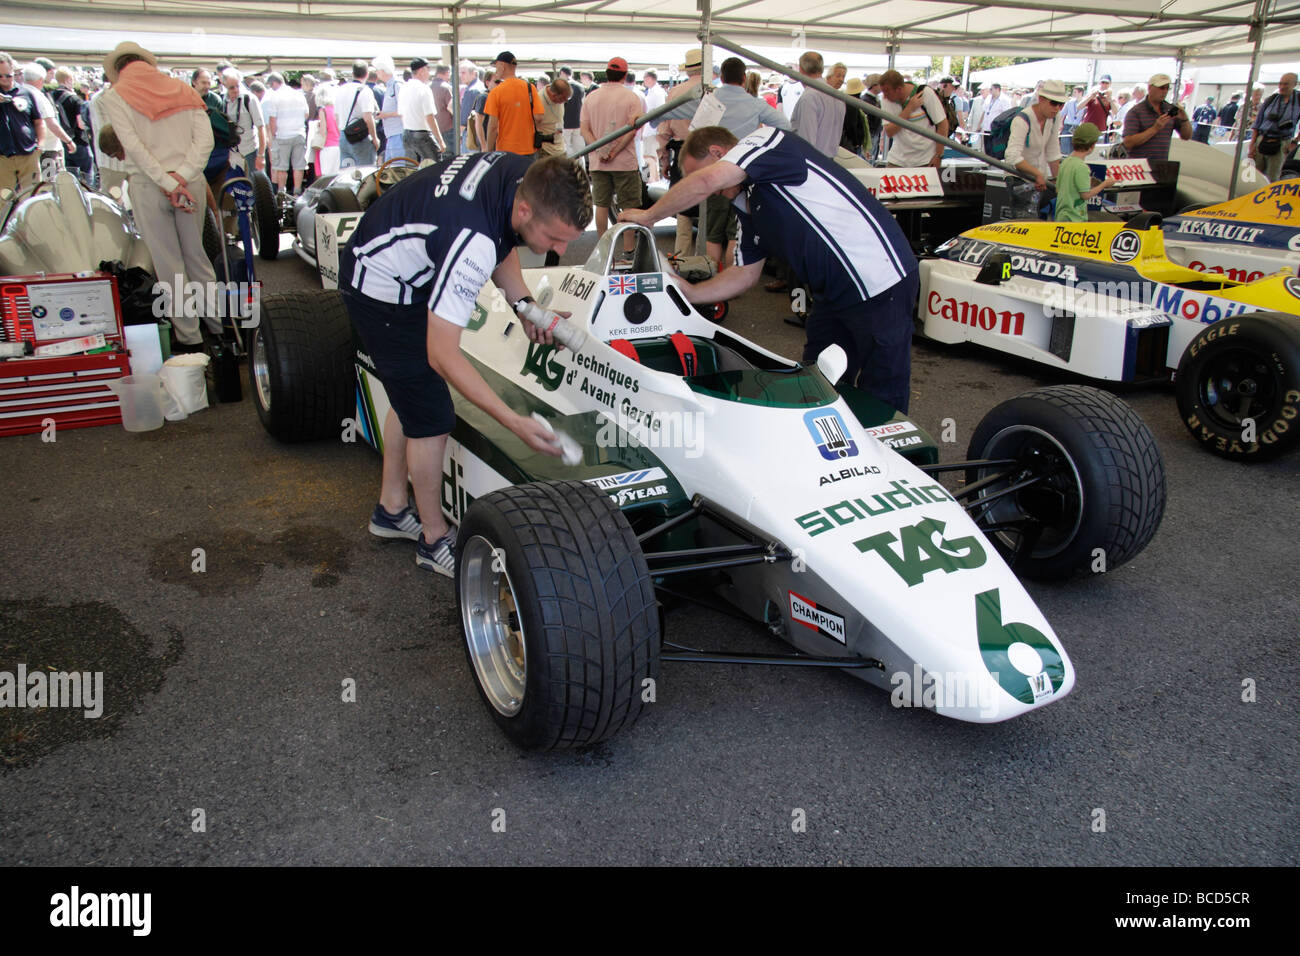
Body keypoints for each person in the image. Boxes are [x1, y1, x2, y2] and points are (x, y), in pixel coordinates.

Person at [338, 155, 593, 574]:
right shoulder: (470, 241)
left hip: (401, 253)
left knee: (412, 397)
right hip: (380, 288)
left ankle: (391, 508)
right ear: (526, 209)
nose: (562, 250)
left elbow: (502, 236)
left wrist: (525, 307)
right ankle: (433, 539)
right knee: (432, 416)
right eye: (555, 237)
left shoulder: (528, 175)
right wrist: (513, 422)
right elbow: (443, 354)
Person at [619, 126, 918, 411]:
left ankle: (895, 458)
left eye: (703, 172)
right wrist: (691, 293)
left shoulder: (768, 141)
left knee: (882, 392)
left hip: (881, 281)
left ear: (717, 152)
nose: (709, 192)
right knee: (820, 383)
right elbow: (745, 274)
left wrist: (650, 216)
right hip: (833, 293)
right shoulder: (745, 202)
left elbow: (706, 182)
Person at [96, 41, 218, 352]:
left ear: (118, 69)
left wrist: (165, 181)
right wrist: (181, 177)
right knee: (197, 258)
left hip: (149, 185)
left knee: (168, 264)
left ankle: (191, 339)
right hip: (189, 182)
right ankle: (220, 329)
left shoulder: (115, 96)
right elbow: (205, 140)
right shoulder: (182, 88)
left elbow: (133, 146)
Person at [580, 56, 643, 243]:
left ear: (607, 74)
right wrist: (614, 152)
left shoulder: (591, 97)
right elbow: (632, 130)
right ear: (624, 75)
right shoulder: (632, 97)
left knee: (601, 204)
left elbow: (584, 129)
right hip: (625, 162)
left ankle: (603, 246)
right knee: (629, 206)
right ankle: (629, 248)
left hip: (598, 163)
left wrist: (599, 150)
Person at [1005, 78, 1067, 189]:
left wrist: (1059, 183)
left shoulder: (1054, 117)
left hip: (1039, 180)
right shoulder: (1022, 120)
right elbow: (1012, 156)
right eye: (1053, 103)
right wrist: (1036, 173)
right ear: (1041, 99)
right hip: (1018, 179)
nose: (1057, 108)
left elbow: (1053, 151)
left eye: (1061, 104)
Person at [878, 69, 947, 168]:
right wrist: (909, 108)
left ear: (898, 89)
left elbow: (943, 124)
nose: (884, 96)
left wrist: (939, 155)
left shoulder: (925, 93)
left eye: (887, 92)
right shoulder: (887, 101)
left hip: (925, 160)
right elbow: (890, 131)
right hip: (897, 160)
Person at [1122, 73, 1193, 162]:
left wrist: (1185, 119)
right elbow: (1128, 142)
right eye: (1161, 88)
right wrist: (1155, 128)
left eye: (1167, 88)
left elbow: (1186, 136)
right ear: (1150, 88)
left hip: (1161, 166)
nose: (1165, 91)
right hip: (1139, 168)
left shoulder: (1170, 109)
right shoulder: (1136, 112)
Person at [0, 52, 44, 193]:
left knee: (33, 196)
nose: (4, 79)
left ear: (13, 72)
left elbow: (38, 121)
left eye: (8, 75)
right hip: (3, 157)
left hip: (28, 153)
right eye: (0, 76)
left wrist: (40, 145)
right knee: (4, 200)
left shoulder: (26, 93)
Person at [484, 51, 543, 155]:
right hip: (529, 148)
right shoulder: (530, 88)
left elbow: (492, 127)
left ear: (502, 66)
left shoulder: (496, 92)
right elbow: (539, 117)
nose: (496, 70)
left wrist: (488, 151)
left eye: (496, 66)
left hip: (505, 150)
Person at [1055, 123, 1115, 222]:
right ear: (1091, 145)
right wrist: (1104, 184)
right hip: (1075, 218)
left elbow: (1058, 190)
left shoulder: (1065, 162)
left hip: (1061, 216)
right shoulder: (1082, 167)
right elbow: (1085, 195)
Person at [790, 52, 844, 158]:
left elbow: (807, 141)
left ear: (801, 70)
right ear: (821, 69)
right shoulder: (839, 97)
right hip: (829, 160)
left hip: (813, 162)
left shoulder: (809, 97)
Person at [263, 71, 309, 191]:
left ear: (274, 83)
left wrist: (273, 136)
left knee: (281, 167)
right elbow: (306, 114)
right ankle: (297, 191)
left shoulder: (275, 96)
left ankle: (282, 192)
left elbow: (272, 119)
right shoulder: (299, 95)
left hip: (282, 135)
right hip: (299, 133)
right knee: (299, 166)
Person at [1248, 73, 1299, 181]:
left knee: (1272, 176)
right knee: (1255, 176)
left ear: (1294, 84)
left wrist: (1295, 141)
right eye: (1280, 83)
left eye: (1286, 84)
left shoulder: (1298, 100)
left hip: (1282, 142)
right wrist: (1252, 145)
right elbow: (1257, 123)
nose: (1282, 87)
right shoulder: (1271, 100)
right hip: (1262, 139)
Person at [399, 57, 447, 161]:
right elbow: (430, 117)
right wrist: (440, 140)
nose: (429, 73)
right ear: (421, 71)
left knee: (411, 171)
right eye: (427, 70)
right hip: (422, 134)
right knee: (435, 167)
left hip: (407, 133)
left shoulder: (403, 88)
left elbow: (401, 115)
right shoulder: (424, 89)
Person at [220, 68, 265, 173]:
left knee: (258, 183)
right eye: (231, 87)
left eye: (238, 86)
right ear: (225, 85)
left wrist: (261, 155)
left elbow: (261, 127)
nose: (235, 90)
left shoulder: (249, 99)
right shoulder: (223, 101)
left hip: (250, 150)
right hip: (232, 152)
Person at [373, 55, 406, 162]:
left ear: (382, 70)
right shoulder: (390, 85)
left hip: (398, 133)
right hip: (392, 133)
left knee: (398, 168)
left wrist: (385, 115)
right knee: (393, 167)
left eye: (377, 70)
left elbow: (403, 110)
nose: (376, 73)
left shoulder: (397, 85)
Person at [535, 76, 569, 158]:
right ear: (554, 95)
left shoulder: (560, 97)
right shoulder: (539, 100)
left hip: (560, 146)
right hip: (546, 149)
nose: (564, 102)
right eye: (563, 99)